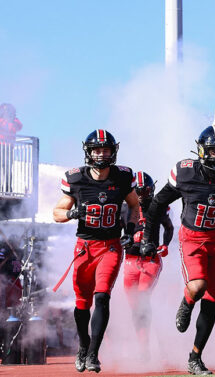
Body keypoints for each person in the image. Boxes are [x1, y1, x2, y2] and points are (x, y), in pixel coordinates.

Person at [140, 125, 215, 375]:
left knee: (213, 301)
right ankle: (187, 301)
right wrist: (149, 237)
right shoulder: (185, 172)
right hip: (193, 239)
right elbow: (157, 204)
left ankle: (195, 357)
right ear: (202, 151)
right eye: (213, 151)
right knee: (198, 285)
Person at [52, 129, 139, 373]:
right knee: (82, 302)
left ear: (114, 151)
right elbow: (57, 212)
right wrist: (71, 213)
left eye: (106, 149)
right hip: (85, 248)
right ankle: (83, 346)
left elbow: (134, 206)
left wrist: (130, 230)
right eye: (97, 150)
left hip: (110, 246)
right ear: (88, 152)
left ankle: (93, 354)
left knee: (102, 296)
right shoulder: (76, 178)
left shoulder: (123, 176)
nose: (102, 154)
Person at [122, 171, 173, 360]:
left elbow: (168, 227)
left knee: (143, 297)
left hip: (150, 259)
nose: (142, 195)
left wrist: (165, 245)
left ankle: (154, 345)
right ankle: (143, 344)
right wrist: (124, 240)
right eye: (139, 191)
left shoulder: (158, 206)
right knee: (135, 305)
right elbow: (116, 232)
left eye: (146, 191)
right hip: (130, 259)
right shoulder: (124, 207)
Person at [0, 103, 22, 193]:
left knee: (8, 169)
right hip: (2, 147)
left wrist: (11, 120)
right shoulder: (2, 120)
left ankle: (8, 188)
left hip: (8, 147)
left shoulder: (14, 121)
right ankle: (3, 187)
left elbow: (18, 127)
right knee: (3, 168)